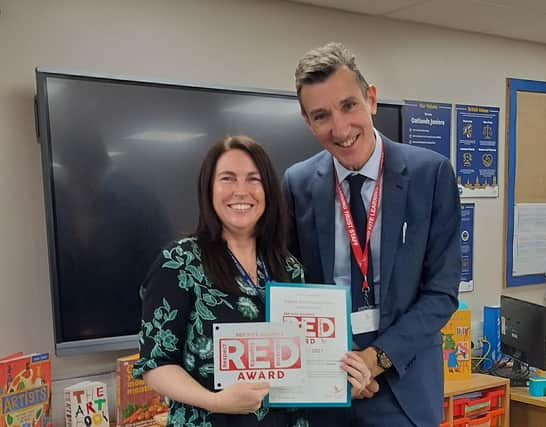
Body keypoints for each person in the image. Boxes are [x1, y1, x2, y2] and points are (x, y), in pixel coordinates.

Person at [133, 135, 371, 427]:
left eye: (253, 179)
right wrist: (217, 401)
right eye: (228, 179)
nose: (241, 191)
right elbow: (156, 364)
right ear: (208, 189)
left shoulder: (289, 268)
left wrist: (344, 377)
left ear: (268, 190)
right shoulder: (179, 263)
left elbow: (308, 354)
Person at [283, 43, 461, 426]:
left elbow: (442, 292)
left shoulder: (431, 176)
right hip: (326, 384)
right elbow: (290, 289)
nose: (341, 129)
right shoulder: (297, 184)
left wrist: (375, 359)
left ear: (372, 99)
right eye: (321, 116)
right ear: (307, 122)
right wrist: (344, 362)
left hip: (404, 385)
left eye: (349, 106)